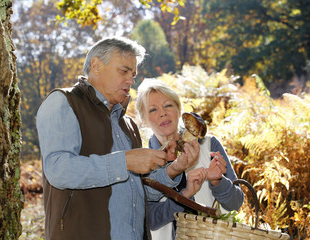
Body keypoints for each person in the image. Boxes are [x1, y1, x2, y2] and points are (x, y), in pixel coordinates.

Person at [36, 37, 200, 240]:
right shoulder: (64, 102)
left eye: (133, 74)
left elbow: (138, 193)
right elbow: (58, 170)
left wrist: (175, 168)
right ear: (96, 65)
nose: (131, 81)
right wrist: (125, 161)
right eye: (123, 71)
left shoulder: (127, 124)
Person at [136, 78, 245, 240]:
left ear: (179, 111)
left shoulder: (209, 146)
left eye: (168, 105)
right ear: (144, 120)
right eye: (153, 110)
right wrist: (184, 197)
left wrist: (218, 182)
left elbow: (235, 204)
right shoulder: (143, 161)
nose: (162, 113)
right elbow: (149, 220)